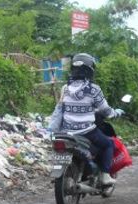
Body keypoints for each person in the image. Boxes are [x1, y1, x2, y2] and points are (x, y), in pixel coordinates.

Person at [48, 53, 124, 185]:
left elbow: (60, 107)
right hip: (87, 131)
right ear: (90, 70)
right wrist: (116, 113)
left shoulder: (65, 88)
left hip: (67, 132)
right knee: (108, 144)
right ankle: (105, 175)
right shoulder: (94, 89)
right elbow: (106, 110)